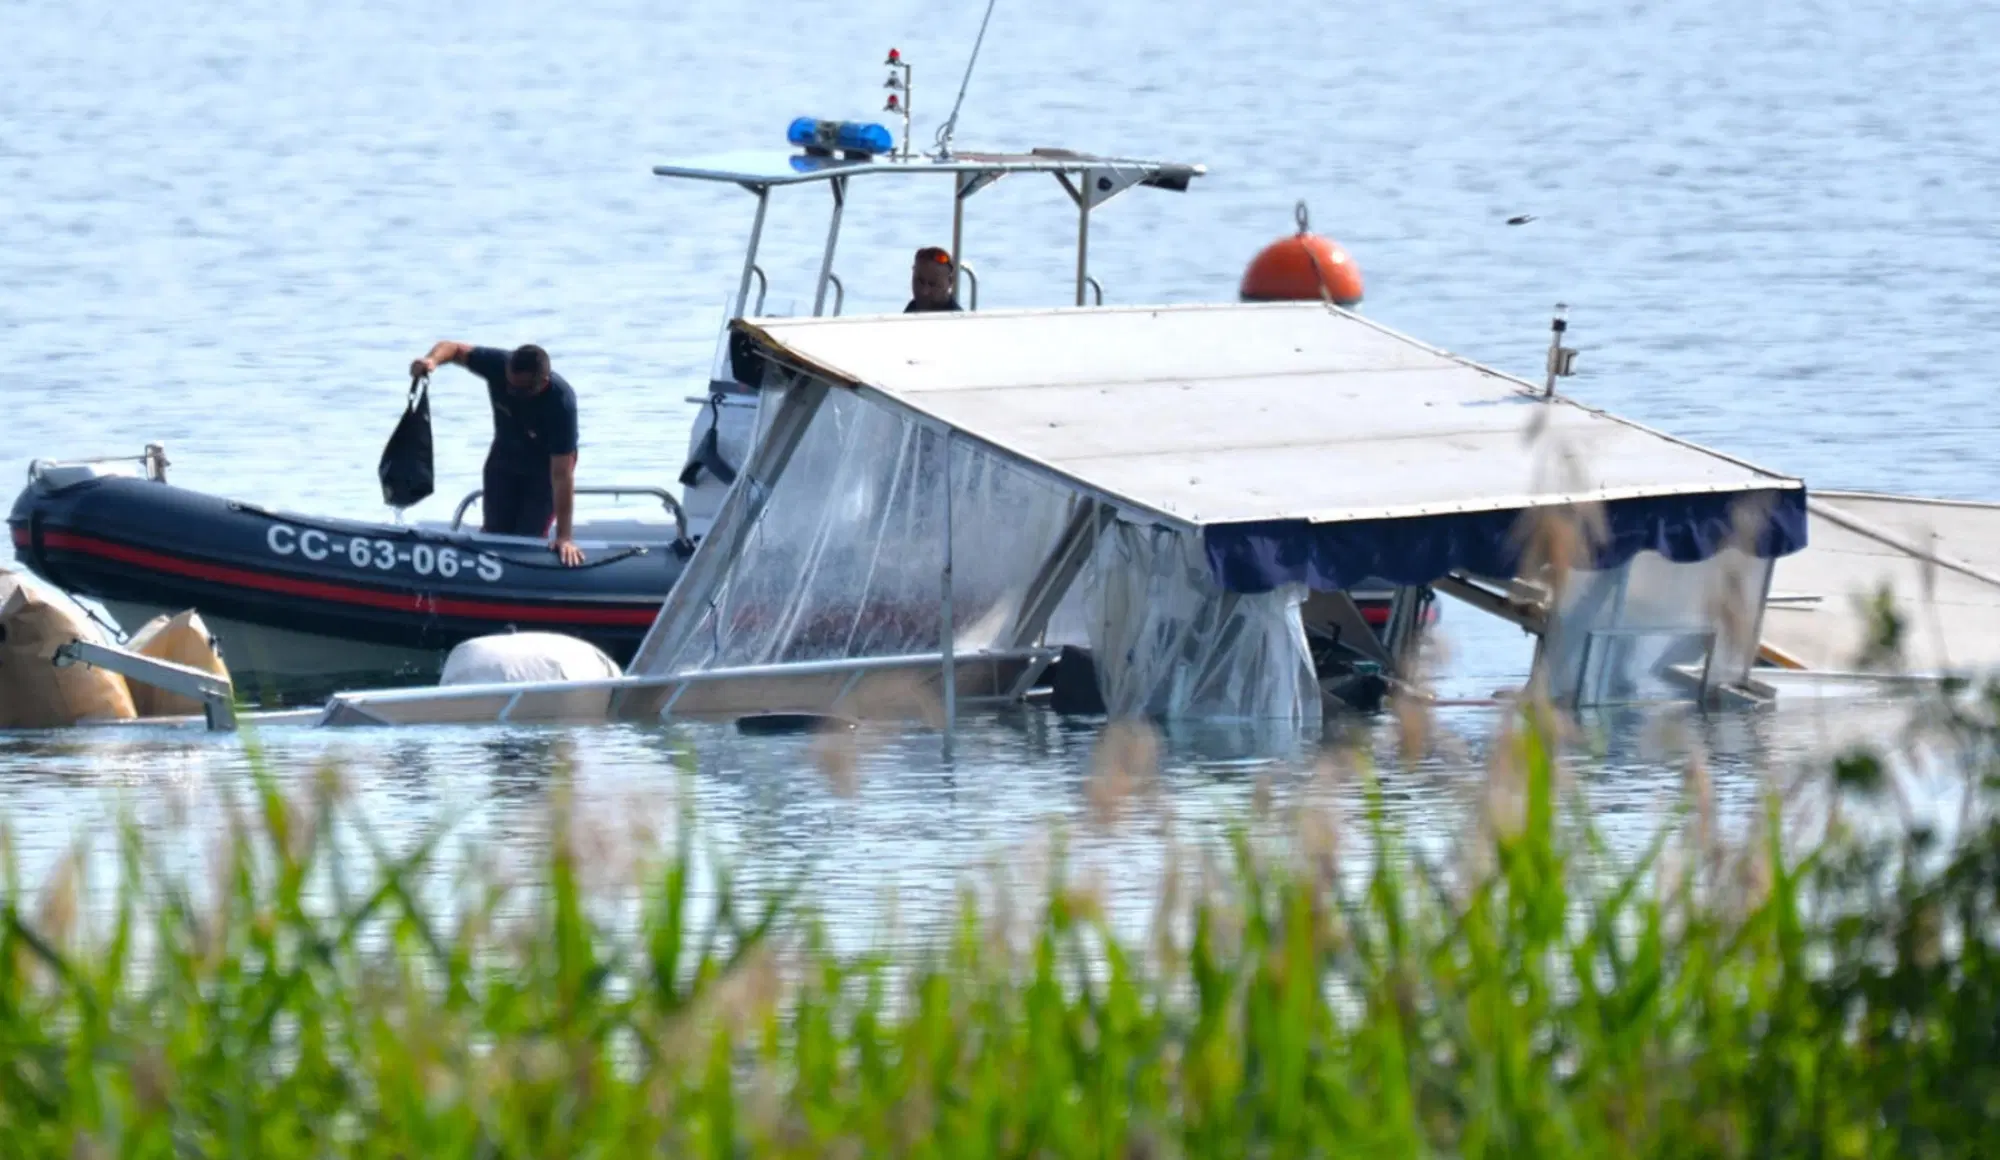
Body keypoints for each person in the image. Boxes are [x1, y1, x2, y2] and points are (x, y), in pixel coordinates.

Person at [408, 341, 585, 566]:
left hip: (544, 469)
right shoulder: (497, 364)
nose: (512, 393)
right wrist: (432, 360)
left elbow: (562, 474)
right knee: (495, 531)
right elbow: (452, 348)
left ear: (543, 383)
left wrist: (564, 537)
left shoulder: (561, 402)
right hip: (505, 456)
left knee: (526, 538)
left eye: (521, 390)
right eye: (509, 386)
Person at [905, 246, 964, 313]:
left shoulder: (956, 319)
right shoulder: (912, 308)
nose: (924, 291)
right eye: (920, 281)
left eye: (933, 284)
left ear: (950, 282)